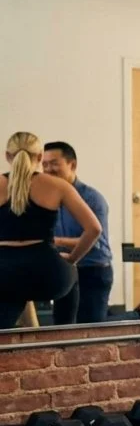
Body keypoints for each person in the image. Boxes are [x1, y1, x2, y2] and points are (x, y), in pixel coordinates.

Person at [0, 132, 102, 329]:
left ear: (7, 156)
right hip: (46, 273)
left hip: (3, 272)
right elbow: (94, 229)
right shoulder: (58, 186)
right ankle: (64, 336)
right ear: (39, 157)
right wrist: (72, 259)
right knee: (71, 274)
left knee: (9, 295)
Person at [43, 141, 114, 325]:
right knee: (62, 327)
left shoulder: (92, 198)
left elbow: (95, 241)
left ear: (72, 165)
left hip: (93, 271)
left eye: (54, 163)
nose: (48, 169)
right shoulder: (48, 197)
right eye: (44, 164)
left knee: (91, 328)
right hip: (65, 269)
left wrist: (57, 241)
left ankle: (138, 315)